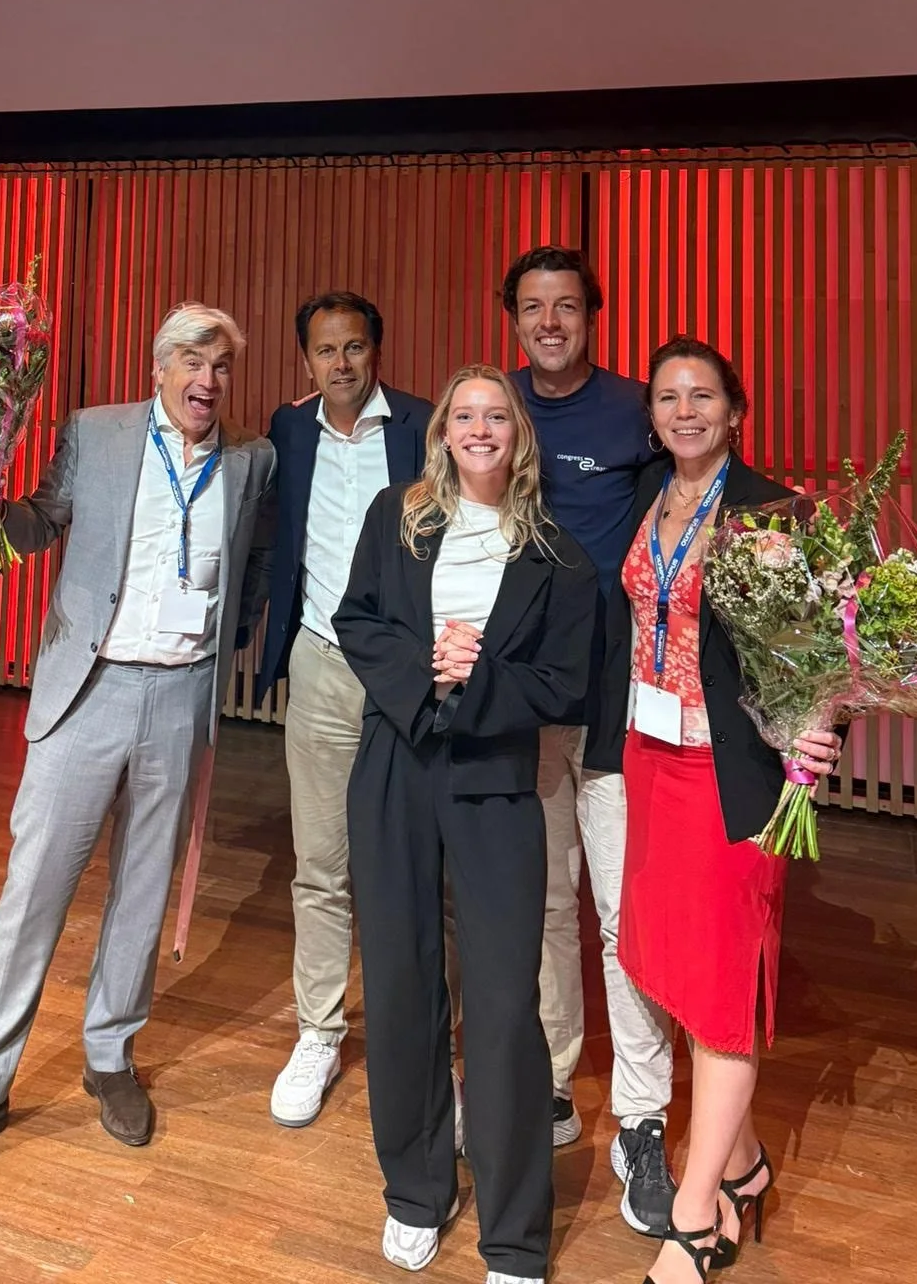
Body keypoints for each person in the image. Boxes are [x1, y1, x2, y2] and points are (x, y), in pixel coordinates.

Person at [0, 303, 276, 1187]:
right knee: (33, 893)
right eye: (193, 359)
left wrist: (236, 630)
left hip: (183, 697)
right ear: (160, 367)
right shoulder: (97, 433)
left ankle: (111, 1054)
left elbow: (254, 562)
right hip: (89, 692)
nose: (208, 379)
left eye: (221, 365)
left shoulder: (251, 460)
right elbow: (42, 523)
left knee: (142, 895)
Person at [334, 367, 597, 1284]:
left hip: (494, 781)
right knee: (402, 986)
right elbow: (356, 621)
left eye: (498, 416)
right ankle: (415, 1190)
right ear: (442, 431)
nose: (480, 429)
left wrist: (473, 675)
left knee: (500, 1005)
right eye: (464, 416)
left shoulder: (561, 557)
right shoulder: (394, 520)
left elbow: (567, 684)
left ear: (518, 438)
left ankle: (516, 1234)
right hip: (397, 765)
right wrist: (426, 672)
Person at [606, 338, 840, 1284]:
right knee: (659, 962)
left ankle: (696, 1216)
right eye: (668, 397)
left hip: (730, 774)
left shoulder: (771, 511)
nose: (685, 411)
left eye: (703, 396)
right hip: (646, 756)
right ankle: (742, 1163)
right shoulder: (645, 499)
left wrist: (821, 733)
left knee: (721, 993)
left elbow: (825, 653)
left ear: (735, 411)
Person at [502, 246, 676, 1234]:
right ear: (515, 320)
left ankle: (643, 1119)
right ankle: (555, 1081)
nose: (551, 321)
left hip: (617, 700)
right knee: (542, 902)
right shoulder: (495, 407)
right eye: (534, 307)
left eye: (567, 305)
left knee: (622, 909)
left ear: (592, 316)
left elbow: (690, 514)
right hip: (526, 698)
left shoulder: (632, 410)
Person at [254, 291, 431, 1129]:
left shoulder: (424, 428)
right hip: (321, 666)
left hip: (410, 675)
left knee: (419, 866)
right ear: (306, 361)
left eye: (355, 347)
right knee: (320, 865)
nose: (342, 364)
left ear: (377, 350)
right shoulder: (291, 430)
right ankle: (319, 1031)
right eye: (325, 351)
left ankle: (428, 1037)